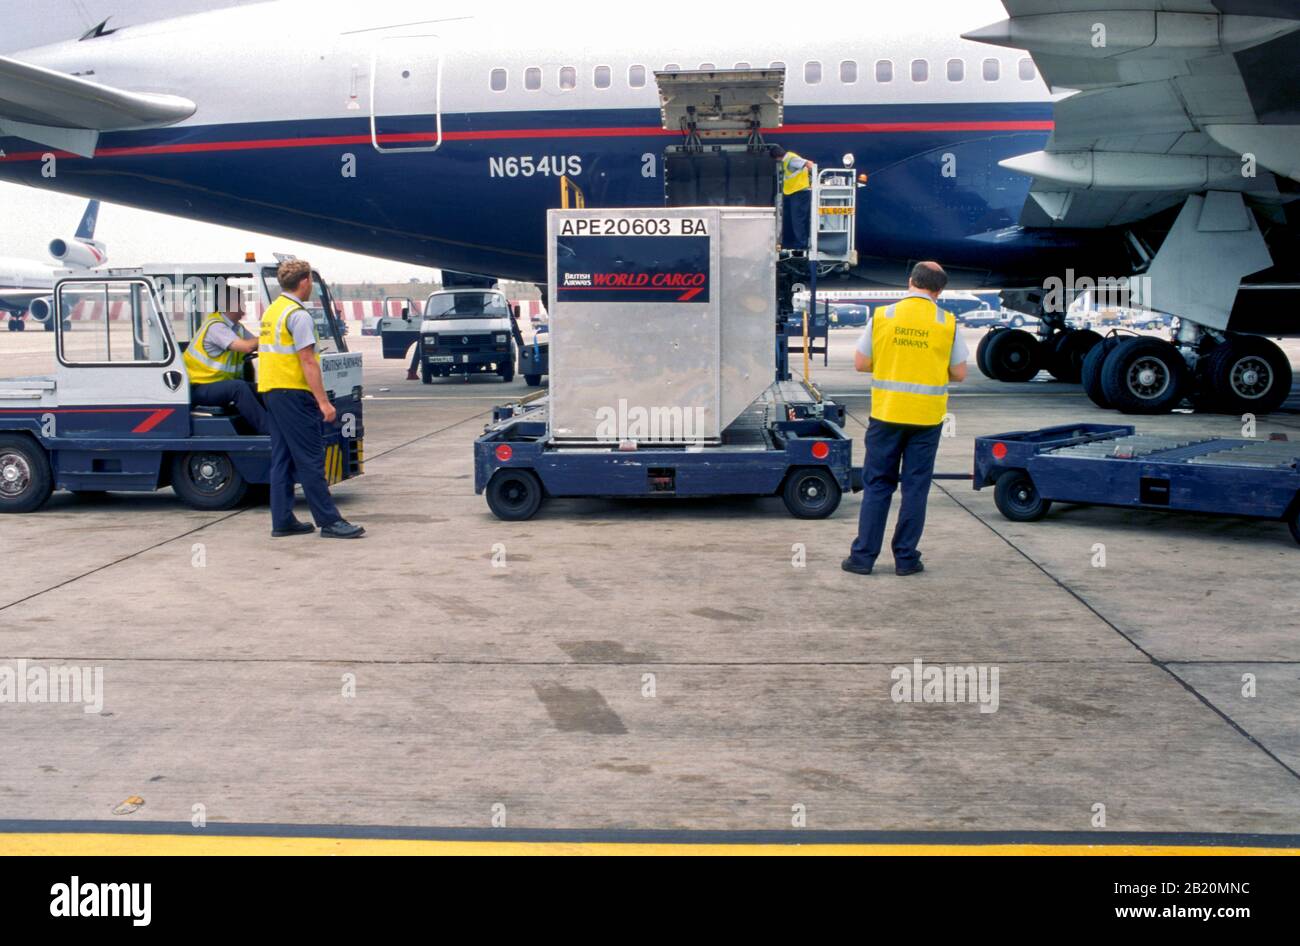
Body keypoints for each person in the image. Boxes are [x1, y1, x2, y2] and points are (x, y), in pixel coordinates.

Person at [843, 262, 968, 576]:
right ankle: (906, 559)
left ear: (911, 281)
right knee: (915, 489)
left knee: (878, 486)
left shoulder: (884, 316)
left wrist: (893, 363)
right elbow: (959, 373)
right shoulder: (947, 322)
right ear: (939, 291)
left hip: (886, 415)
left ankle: (862, 558)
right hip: (926, 420)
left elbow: (861, 363)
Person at [258, 259, 365, 539]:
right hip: (293, 393)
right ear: (304, 281)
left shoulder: (273, 311)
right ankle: (329, 521)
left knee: (282, 459)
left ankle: (282, 519)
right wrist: (323, 402)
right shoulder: (298, 314)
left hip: (272, 391)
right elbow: (307, 360)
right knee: (310, 459)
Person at [184, 288, 268, 434]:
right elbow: (248, 347)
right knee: (239, 388)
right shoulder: (216, 327)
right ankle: (270, 432)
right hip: (199, 388)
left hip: (217, 386)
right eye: (242, 301)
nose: (245, 306)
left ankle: (283, 425)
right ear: (232, 304)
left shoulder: (237, 328)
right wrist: (270, 334)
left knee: (262, 388)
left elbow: (258, 343)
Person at [771, 145, 816, 250]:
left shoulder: (791, 159)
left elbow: (809, 164)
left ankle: (801, 245)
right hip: (793, 193)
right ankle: (793, 243)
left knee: (798, 220)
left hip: (800, 192)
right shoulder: (788, 160)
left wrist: (815, 180)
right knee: (794, 219)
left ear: (777, 157)